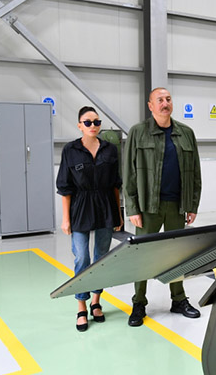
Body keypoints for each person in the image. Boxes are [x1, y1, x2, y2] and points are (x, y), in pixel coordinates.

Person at [123, 87, 202, 327]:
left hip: (177, 205)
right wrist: (132, 208)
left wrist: (192, 204)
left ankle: (178, 299)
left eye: (168, 99)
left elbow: (195, 172)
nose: (165, 103)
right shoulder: (138, 132)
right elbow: (128, 173)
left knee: (177, 256)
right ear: (150, 106)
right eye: (160, 100)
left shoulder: (186, 133)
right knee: (143, 256)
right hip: (148, 207)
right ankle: (139, 302)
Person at [56, 106, 123, 332]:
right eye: (87, 122)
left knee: (101, 257)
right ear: (79, 125)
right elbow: (65, 187)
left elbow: (115, 185)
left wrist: (118, 214)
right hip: (80, 207)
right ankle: (81, 306)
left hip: (105, 206)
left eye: (96, 122)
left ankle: (96, 301)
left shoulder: (110, 149)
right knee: (82, 257)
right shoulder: (71, 150)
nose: (93, 126)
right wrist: (66, 219)